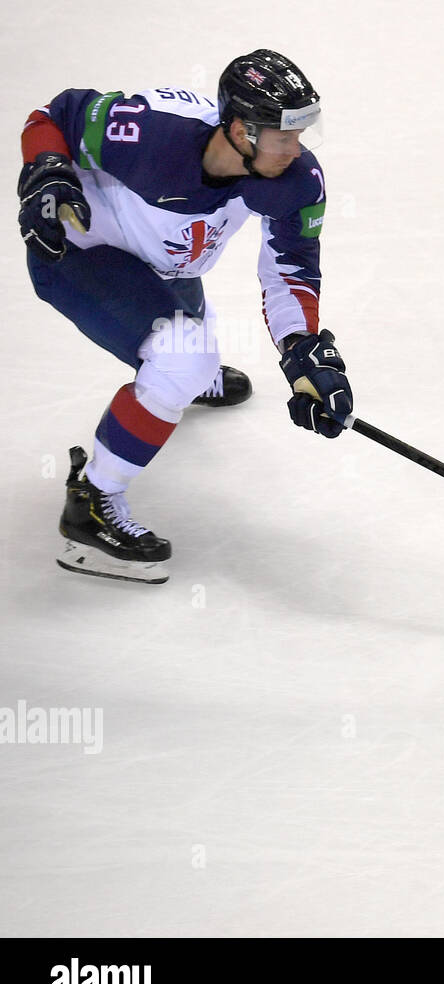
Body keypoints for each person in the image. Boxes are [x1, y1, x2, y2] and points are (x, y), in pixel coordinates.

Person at [17, 49, 353, 585]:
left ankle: (177, 379)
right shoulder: (151, 133)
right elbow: (52, 118)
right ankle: (92, 503)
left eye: (302, 133)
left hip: (166, 264)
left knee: (191, 356)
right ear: (241, 131)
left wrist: (302, 350)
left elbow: (289, 271)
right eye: (283, 136)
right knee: (185, 360)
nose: (298, 149)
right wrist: (46, 170)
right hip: (80, 254)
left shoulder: (294, 179)